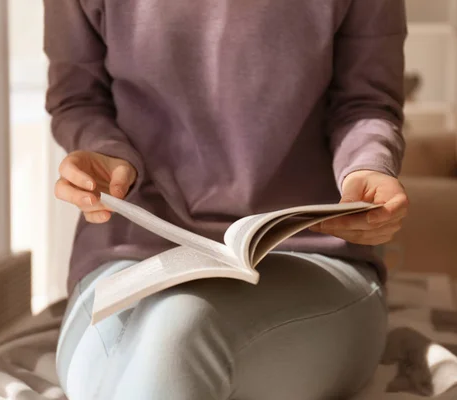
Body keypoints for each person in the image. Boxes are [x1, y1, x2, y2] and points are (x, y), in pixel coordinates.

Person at [45, 0, 408, 399]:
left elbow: (365, 102)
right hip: (127, 261)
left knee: (179, 331)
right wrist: (105, 151)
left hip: (313, 260)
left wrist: (367, 168)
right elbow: (78, 98)